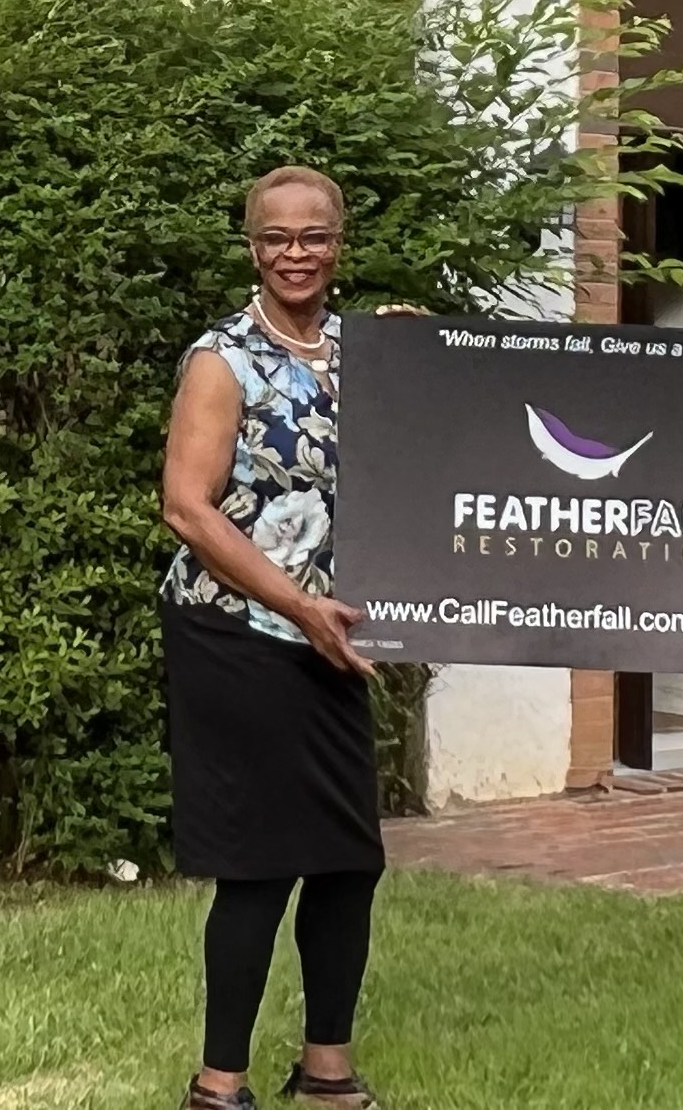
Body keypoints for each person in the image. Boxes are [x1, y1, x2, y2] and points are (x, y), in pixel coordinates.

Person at [161, 167, 408, 1110]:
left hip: (332, 640)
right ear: (253, 246)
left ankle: (327, 1072)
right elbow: (187, 509)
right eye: (277, 237)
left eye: (313, 236)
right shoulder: (220, 359)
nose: (295, 253)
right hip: (237, 636)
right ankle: (219, 1084)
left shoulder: (364, 348)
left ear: (339, 243)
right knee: (261, 865)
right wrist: (300, 608)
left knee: (350, 861)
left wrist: (438, 356)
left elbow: (435, 434)